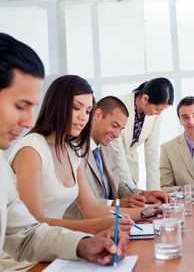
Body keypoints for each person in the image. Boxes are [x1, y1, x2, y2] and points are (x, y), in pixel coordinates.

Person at [0, 33, 128, 271]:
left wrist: (83, 245)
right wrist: (94, 227)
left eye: (88, 110)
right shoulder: (31, 148)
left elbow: (26, 234)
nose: (29, 121)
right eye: (20, 106)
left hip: (46, 258)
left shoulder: (3, 168)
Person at [65, 96, 169, 219]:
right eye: (114, 125)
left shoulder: (107, 148)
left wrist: (143, 195)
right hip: (84, 225)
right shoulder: (71, 149)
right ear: (97, 115)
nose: (116, 135)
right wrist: (114, 203)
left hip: (112, 222)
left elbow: (117, 183)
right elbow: (71, 200)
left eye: (121, 129)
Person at [111, 78, 174, 190]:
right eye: (157, 109)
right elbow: (117, 152)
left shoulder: (156, 115)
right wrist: (134, 191)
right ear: (145, 98)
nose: (159, 113)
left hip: (130, 166)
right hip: (110, 162)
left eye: (162, 110)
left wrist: (154, 191)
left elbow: (152, 152)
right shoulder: (118, 105)